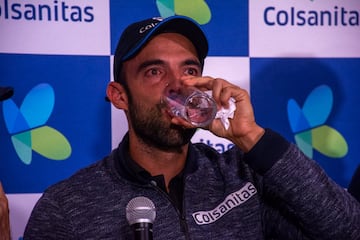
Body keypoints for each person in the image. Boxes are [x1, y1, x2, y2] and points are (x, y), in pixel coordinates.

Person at [24, 16, 360, 239]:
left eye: (188, 70)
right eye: (154, 72)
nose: (177, 86)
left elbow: (348, 230)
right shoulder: (67, 205)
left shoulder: (242, 174)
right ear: (119, 95)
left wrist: (252, 138)